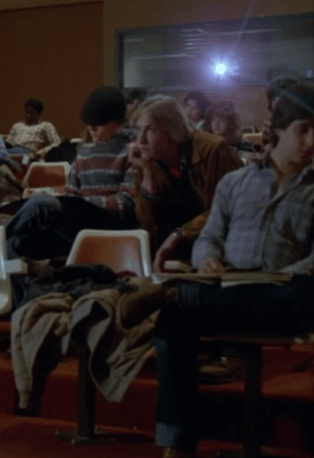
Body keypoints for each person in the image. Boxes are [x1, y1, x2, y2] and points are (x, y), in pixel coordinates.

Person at [122, 82, 314, 458]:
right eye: (303, 130)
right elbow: (209, 237)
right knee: (174, 318)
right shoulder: (235, 183)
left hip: (289, 294)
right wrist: (207, 259)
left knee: (296, 290)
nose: (311, 141)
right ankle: (176, 442)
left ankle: (179, 294)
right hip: (232, 290)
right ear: (279, 130)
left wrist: (286, 276)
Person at [5, 87, 137, 260]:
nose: (91, 128)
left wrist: (80, 203)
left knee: (41, 203)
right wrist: (69, 201)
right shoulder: (85, 152)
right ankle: (2, 247)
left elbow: (126, 204)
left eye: (99, 123)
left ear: (118, 122)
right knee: (15, 243)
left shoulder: (132, 151)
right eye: (89, 123)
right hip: (78, 225)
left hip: (110, 227)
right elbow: (70, 194)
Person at [129, 96, 244, 272]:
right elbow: (147, 222)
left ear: (172, 130)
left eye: (150, 131)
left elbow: (225, 211)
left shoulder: (212, 150)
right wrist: (148, 171)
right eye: (138, 130)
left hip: (216, 245)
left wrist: (179, 235)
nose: (141, 140)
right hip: (170, 248)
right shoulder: (147, 158)